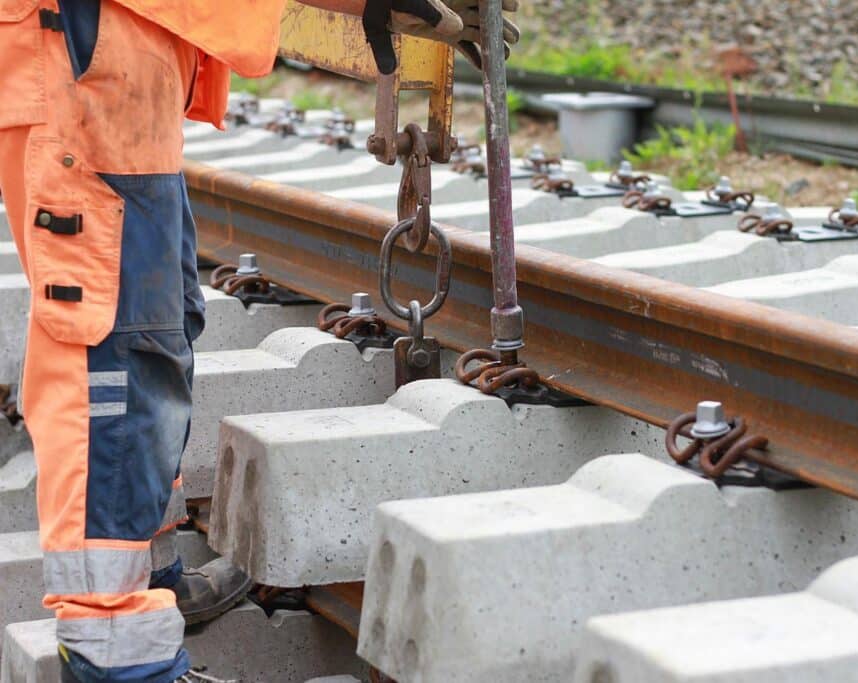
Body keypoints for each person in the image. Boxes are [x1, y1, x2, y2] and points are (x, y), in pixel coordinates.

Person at [0, 1, 518, 681]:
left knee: (158, 329)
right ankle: (115, 651)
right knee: (114, 353)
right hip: (84, 68)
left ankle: (147, 577)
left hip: (122, 66)